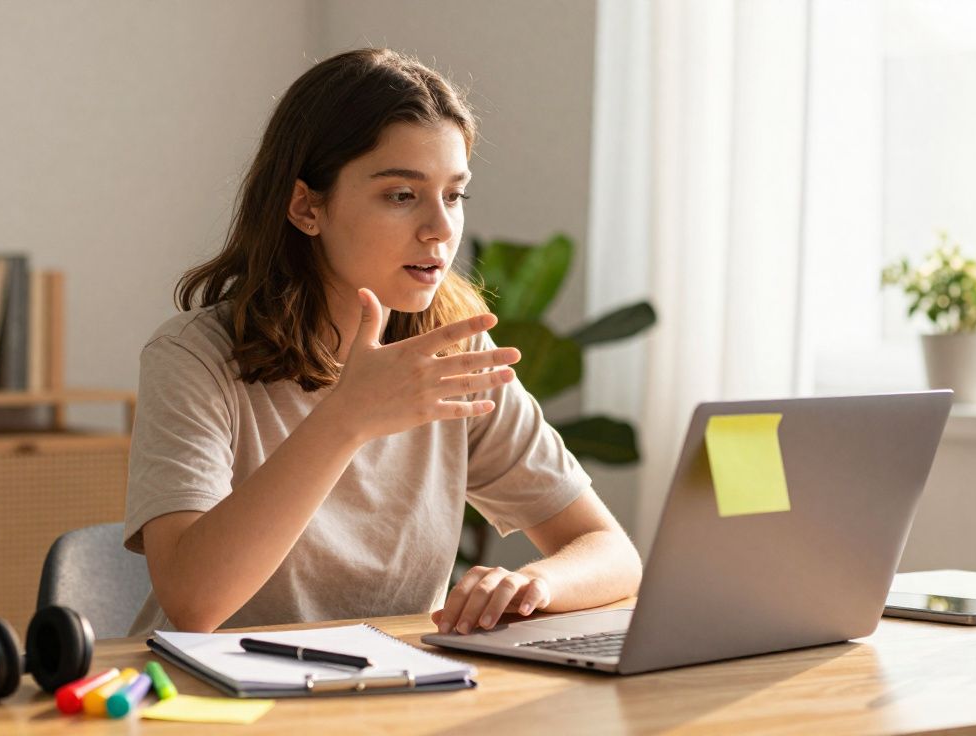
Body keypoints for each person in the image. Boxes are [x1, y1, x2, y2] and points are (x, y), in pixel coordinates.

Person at [123, 47, 641, 638]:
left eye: (454, 195)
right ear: (306, 206)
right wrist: (346, 418)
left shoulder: (455, 357)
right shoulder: (194, 358)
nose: (441, 229)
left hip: (395, 698)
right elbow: (194, 604)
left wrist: (538, 584)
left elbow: (611, 553)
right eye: (402, 195)